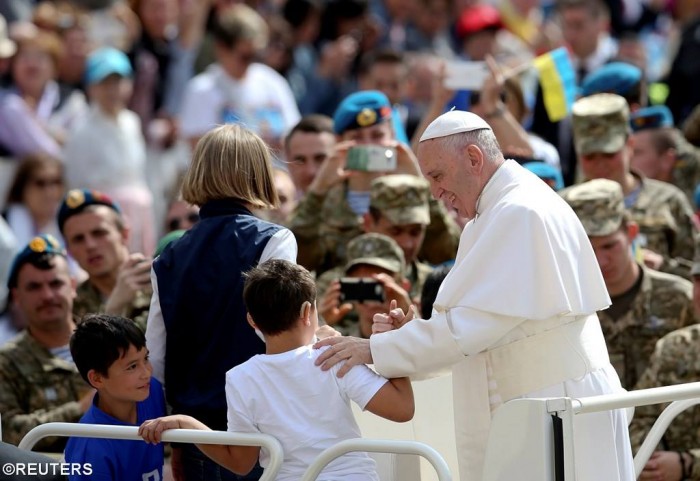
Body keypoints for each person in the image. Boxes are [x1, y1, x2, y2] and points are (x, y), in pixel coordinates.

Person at [314, 110, 635, 481]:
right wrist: (409, 333)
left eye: (437, 176)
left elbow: (472, 327)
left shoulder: (519, 211)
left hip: (554, 408)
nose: (435, 192)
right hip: (539, 407)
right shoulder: (497, 211)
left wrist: (374, 349)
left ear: (473, 158)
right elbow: (478, 321)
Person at [139, 259, 414, 480]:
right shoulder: (335, 355)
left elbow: (241, 462)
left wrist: (186, 423)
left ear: (252, 321)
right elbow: (402, 409)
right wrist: (391, 345)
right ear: (308, 312)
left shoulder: (240, 378)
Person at [145, 124, 297, 481]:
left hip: (194, 435)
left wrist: (176, 439)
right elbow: (283, 338)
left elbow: (156, 356)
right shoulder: (275, 240)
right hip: (259, 432)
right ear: (259, 172)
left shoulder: (167, 254)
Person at [561, 178, 695, 388]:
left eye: (609, 246)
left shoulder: (680, 298)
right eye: (588, 250)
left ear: (631, 233)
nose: (601, 261)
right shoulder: (566, 309)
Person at [572, 93, 698, 279]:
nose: (600, 164)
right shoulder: (563, 207)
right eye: (589, 157)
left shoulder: (668, 201)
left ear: (629, 145)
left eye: (609, 154)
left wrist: (664, 266)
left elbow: (695, 270)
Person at [0, 235, 93, 452]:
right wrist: (81, 408)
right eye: (34, 287)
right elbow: (8, 432)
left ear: (72, 286)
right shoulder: (6, 362)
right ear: (16, 297)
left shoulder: (107, 342)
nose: (48, 295)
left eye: (55, 283)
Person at [63, 46, 156, 256]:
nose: (112, 89)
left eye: (118, 82)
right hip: (103, 223)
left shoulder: (131, 122)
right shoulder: (81, 131)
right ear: (91, 88)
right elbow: (76, 184)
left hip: (140, 219)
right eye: (104, 83)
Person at [64, 314, 165, 481]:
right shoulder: (90, 448)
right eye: (132, 366)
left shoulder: (151, 390)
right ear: (97, 378)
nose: (147, 373)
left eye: (145, 358)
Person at [58, 189, 152, 332]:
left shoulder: (158, 280)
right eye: (78, 239)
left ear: (124, 234)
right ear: (69, 251)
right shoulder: (70, 309)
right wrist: (114, 307)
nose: (90, 245)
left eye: (99, 233)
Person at [320, 233, 412, 338]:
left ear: (403, 287)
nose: (371, 303)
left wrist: (411, 321)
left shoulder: (425, 337)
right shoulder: (336, 340)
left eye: (379, 287)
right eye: (363, 288)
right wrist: (318, 324)